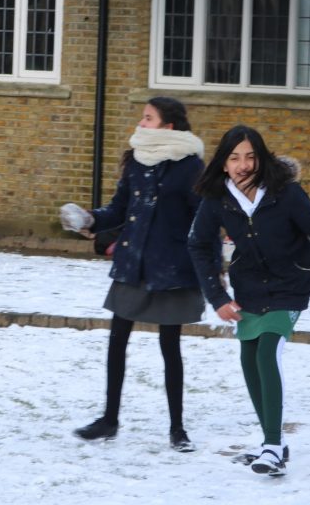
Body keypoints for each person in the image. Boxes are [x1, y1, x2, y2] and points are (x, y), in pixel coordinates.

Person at [187, 125, 310, 477]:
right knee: (249, 358)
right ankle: (273, 442)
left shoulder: (285, 192)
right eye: (234, 158)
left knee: (268, 350)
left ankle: (272, 445)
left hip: (290, 285)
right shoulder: (217, 199)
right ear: (223, 164)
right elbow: (197, 244)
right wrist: (218, 297)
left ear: (262, 158)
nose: (243, 165)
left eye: (251, 156)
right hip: (249, 287)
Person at [61, 97, 206, 452]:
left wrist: (212, 267)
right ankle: (109, 421)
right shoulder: (137, 161)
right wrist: (90, 218)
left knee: (170, 348)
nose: (141, 123)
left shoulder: (191, 167)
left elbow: (203, 220)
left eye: (148, 118)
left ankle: (177, 429)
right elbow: (119, 208)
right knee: (117, 343)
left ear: (168, 126)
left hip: (171, 269)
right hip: (132, 264)